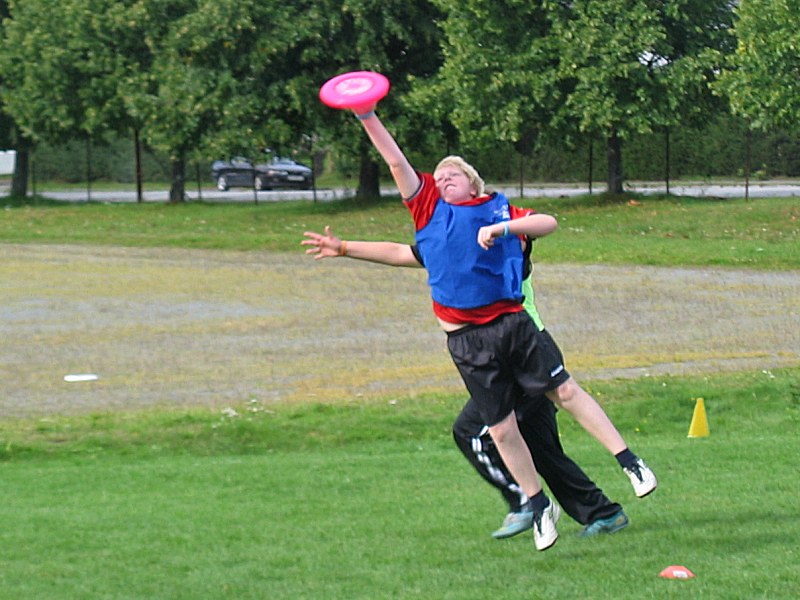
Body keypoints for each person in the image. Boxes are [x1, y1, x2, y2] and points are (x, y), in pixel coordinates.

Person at [315, 105, 654, 550]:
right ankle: (576, 509)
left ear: (474, 184)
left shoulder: (500, 218)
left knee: (505, 430)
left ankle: (559, 497)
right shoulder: (434, 222)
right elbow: (401, 238)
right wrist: (345, 247)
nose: (442, 179)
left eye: (452, 174)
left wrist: (503, 228)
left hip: (519, 335)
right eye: (437, 177)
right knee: (525, 439)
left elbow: (546, 222)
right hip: (471, 342)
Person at [301, 228, 644, 539]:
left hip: (524, 354)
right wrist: (344, 247)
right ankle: (603, 513)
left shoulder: (506, 247)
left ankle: (526, 501)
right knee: (539, 448)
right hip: (527, 353)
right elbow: (401, 252)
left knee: (472, 432)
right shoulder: (462, 246)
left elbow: (535, 228)